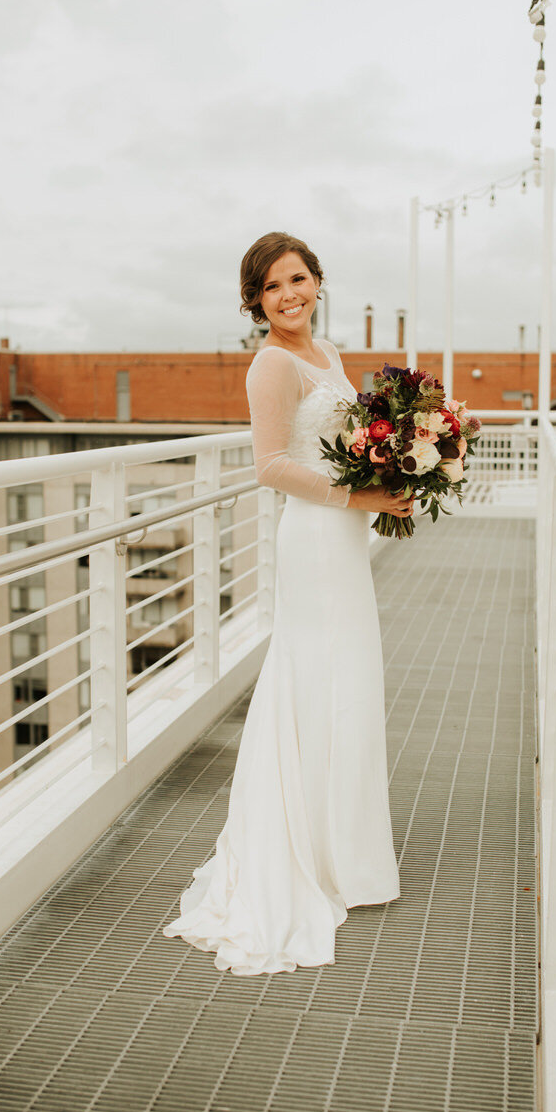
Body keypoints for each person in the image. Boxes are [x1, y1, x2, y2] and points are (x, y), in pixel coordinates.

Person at [162, 232, 412, 974]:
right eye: (273, 287)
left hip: (345, 539)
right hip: (313, 539)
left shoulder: (329, 355)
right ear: (256, 301)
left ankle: (345, 853)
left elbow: (355, 440)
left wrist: (401, 472)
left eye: (298, 279)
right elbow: (271, 466)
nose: (289, 295)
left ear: (317, 281)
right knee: (318, 682)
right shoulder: (271, 364)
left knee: (349, 687)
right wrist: (363, 494)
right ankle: (311, 856)